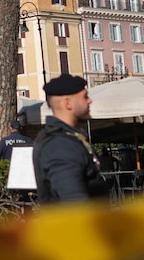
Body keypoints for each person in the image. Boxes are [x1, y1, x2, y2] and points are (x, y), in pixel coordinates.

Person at [32, 74, 107, 204]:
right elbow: (75, 202)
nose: (90, 101)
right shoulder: (60, 146)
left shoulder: (66, 139)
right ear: (67, 103)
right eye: (85, 97)